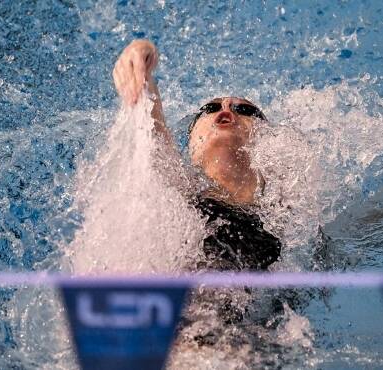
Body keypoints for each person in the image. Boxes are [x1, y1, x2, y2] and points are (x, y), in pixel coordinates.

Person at [113, 39, 281, 271]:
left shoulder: (290, 214)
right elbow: (152, 134)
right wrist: (140, 55)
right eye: (210, 109)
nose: (225, 113)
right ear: (191, 144)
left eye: (244, 110)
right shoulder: (178, 195)